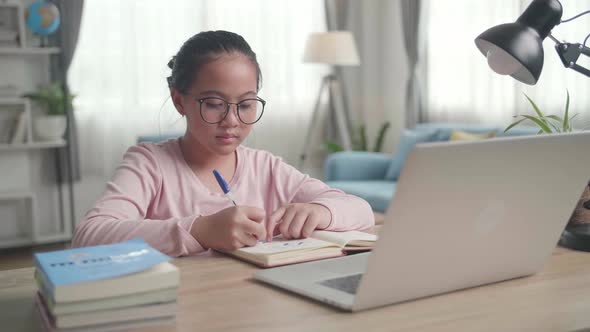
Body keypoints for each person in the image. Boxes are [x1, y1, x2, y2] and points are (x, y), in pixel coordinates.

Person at [72, 30, 373, 257]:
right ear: (180, 101)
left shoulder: (266, 168)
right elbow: (89, 236)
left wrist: (322, 211)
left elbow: (361, 210)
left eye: (246, 105)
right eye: (215, 103)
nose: (232, 120)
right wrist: (200, 230)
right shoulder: (149, 164)